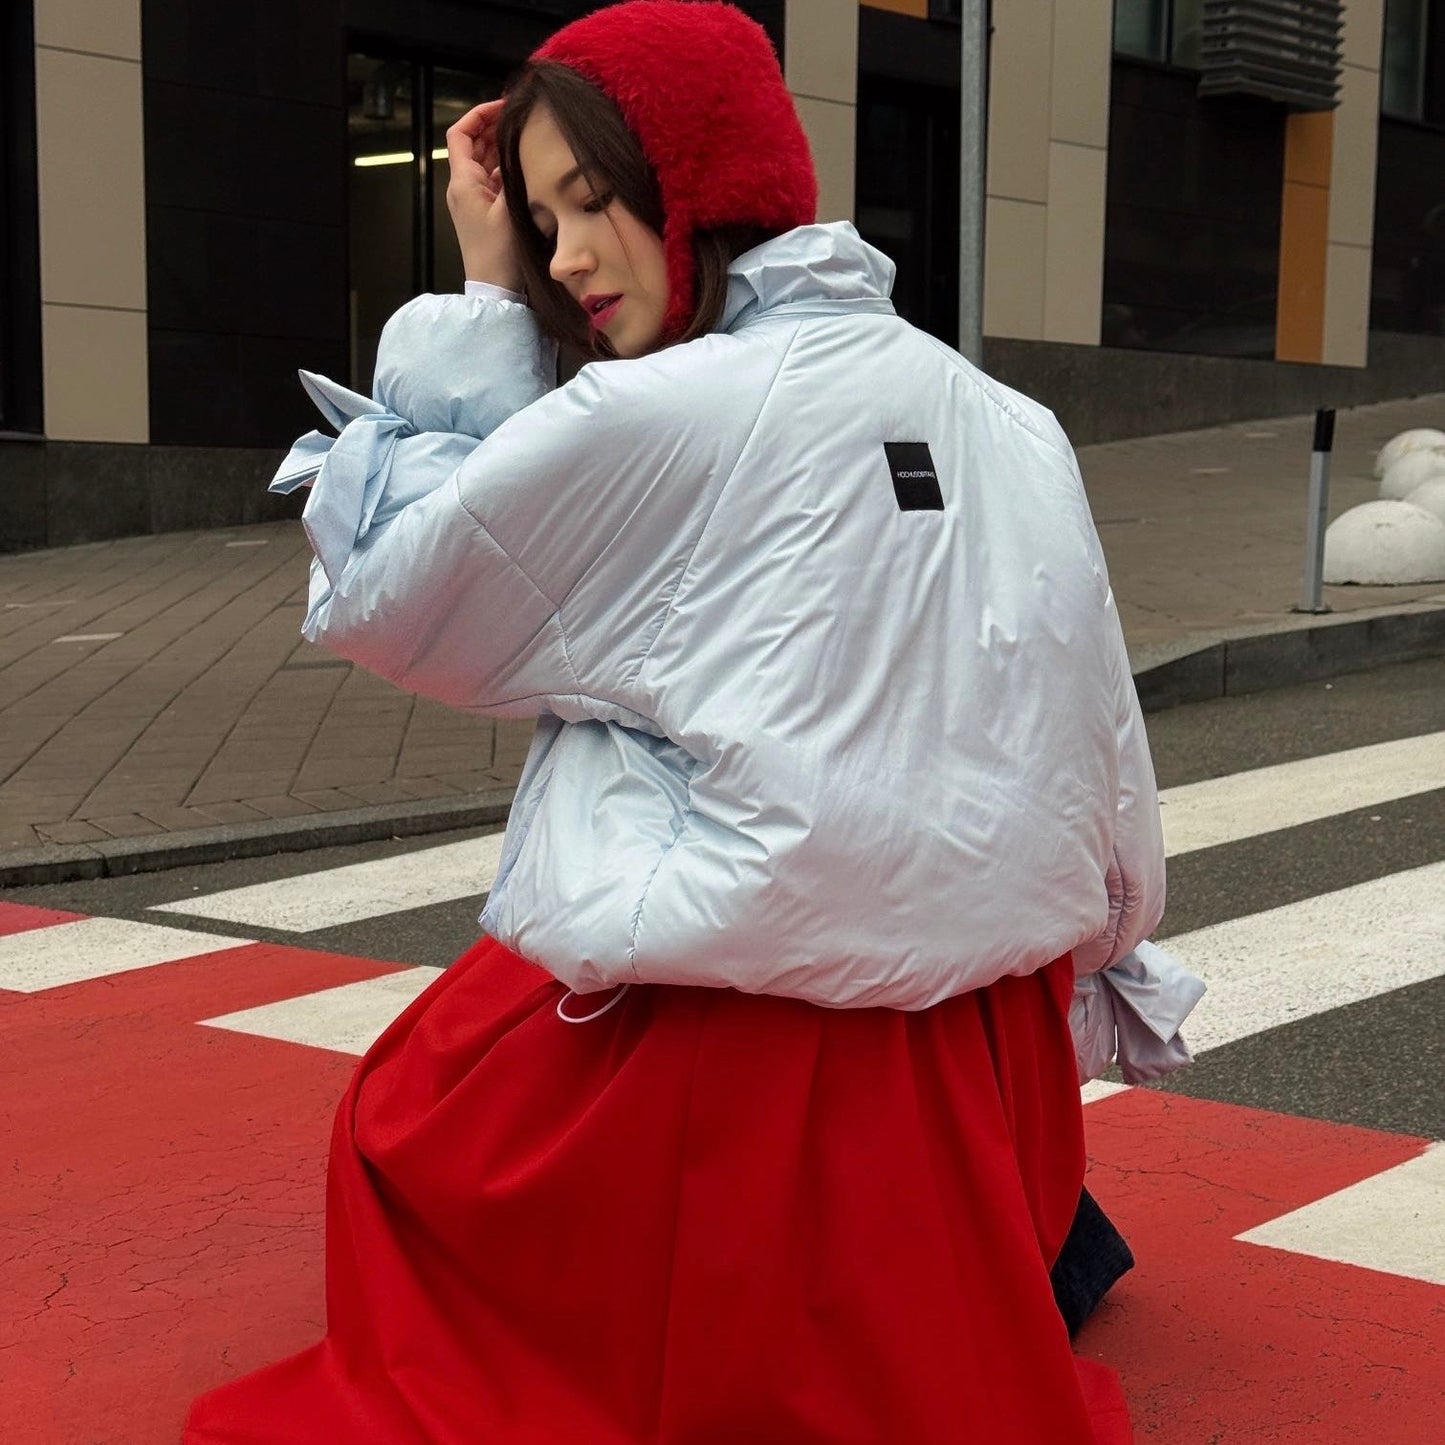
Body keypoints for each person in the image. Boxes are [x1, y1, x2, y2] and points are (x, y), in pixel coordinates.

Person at [186, 3, 1193, 1439]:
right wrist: (1105, 962)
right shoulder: (1008, 419)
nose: (568, 257)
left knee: (406, 1122)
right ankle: (1004, 1255)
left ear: (700, 177)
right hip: (990, 1067)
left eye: (590, 202)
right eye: (539, 224)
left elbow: (397, 592)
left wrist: (480, 291)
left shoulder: (661, 416)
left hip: (750, 1077)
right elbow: (1096, 736)